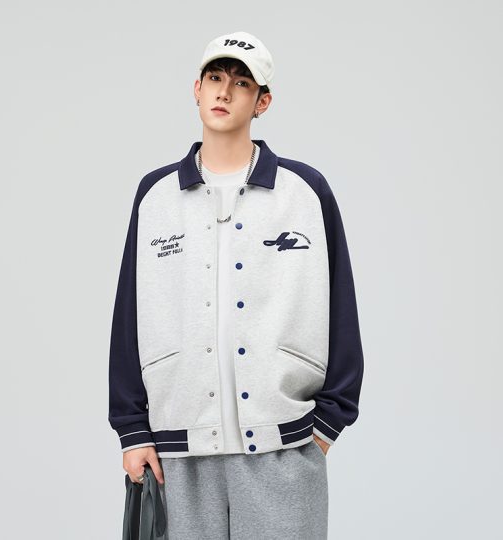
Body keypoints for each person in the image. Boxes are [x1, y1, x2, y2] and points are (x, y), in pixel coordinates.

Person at [108, 30, 364, 539]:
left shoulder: (305, 192)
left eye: (242, 83)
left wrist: (327, 424)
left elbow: (342, 311)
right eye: (215, 78)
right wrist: (132, 430)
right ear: (197, 89)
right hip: (178, 453)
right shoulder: (155, 196)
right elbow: (129, 317)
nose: (224, 92)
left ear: (262, 101)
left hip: (285, 448)